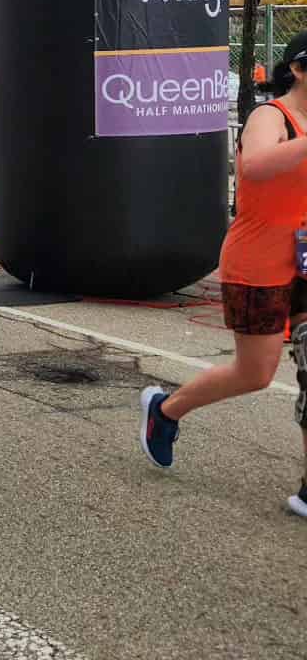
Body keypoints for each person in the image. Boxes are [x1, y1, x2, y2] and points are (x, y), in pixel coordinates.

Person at [140, 32, 307, 516]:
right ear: (298, 70)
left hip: (305, 261)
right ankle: (165, 411)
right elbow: (255, 167)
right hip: (259, 260)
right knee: (255, 373)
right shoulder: (271, 116)